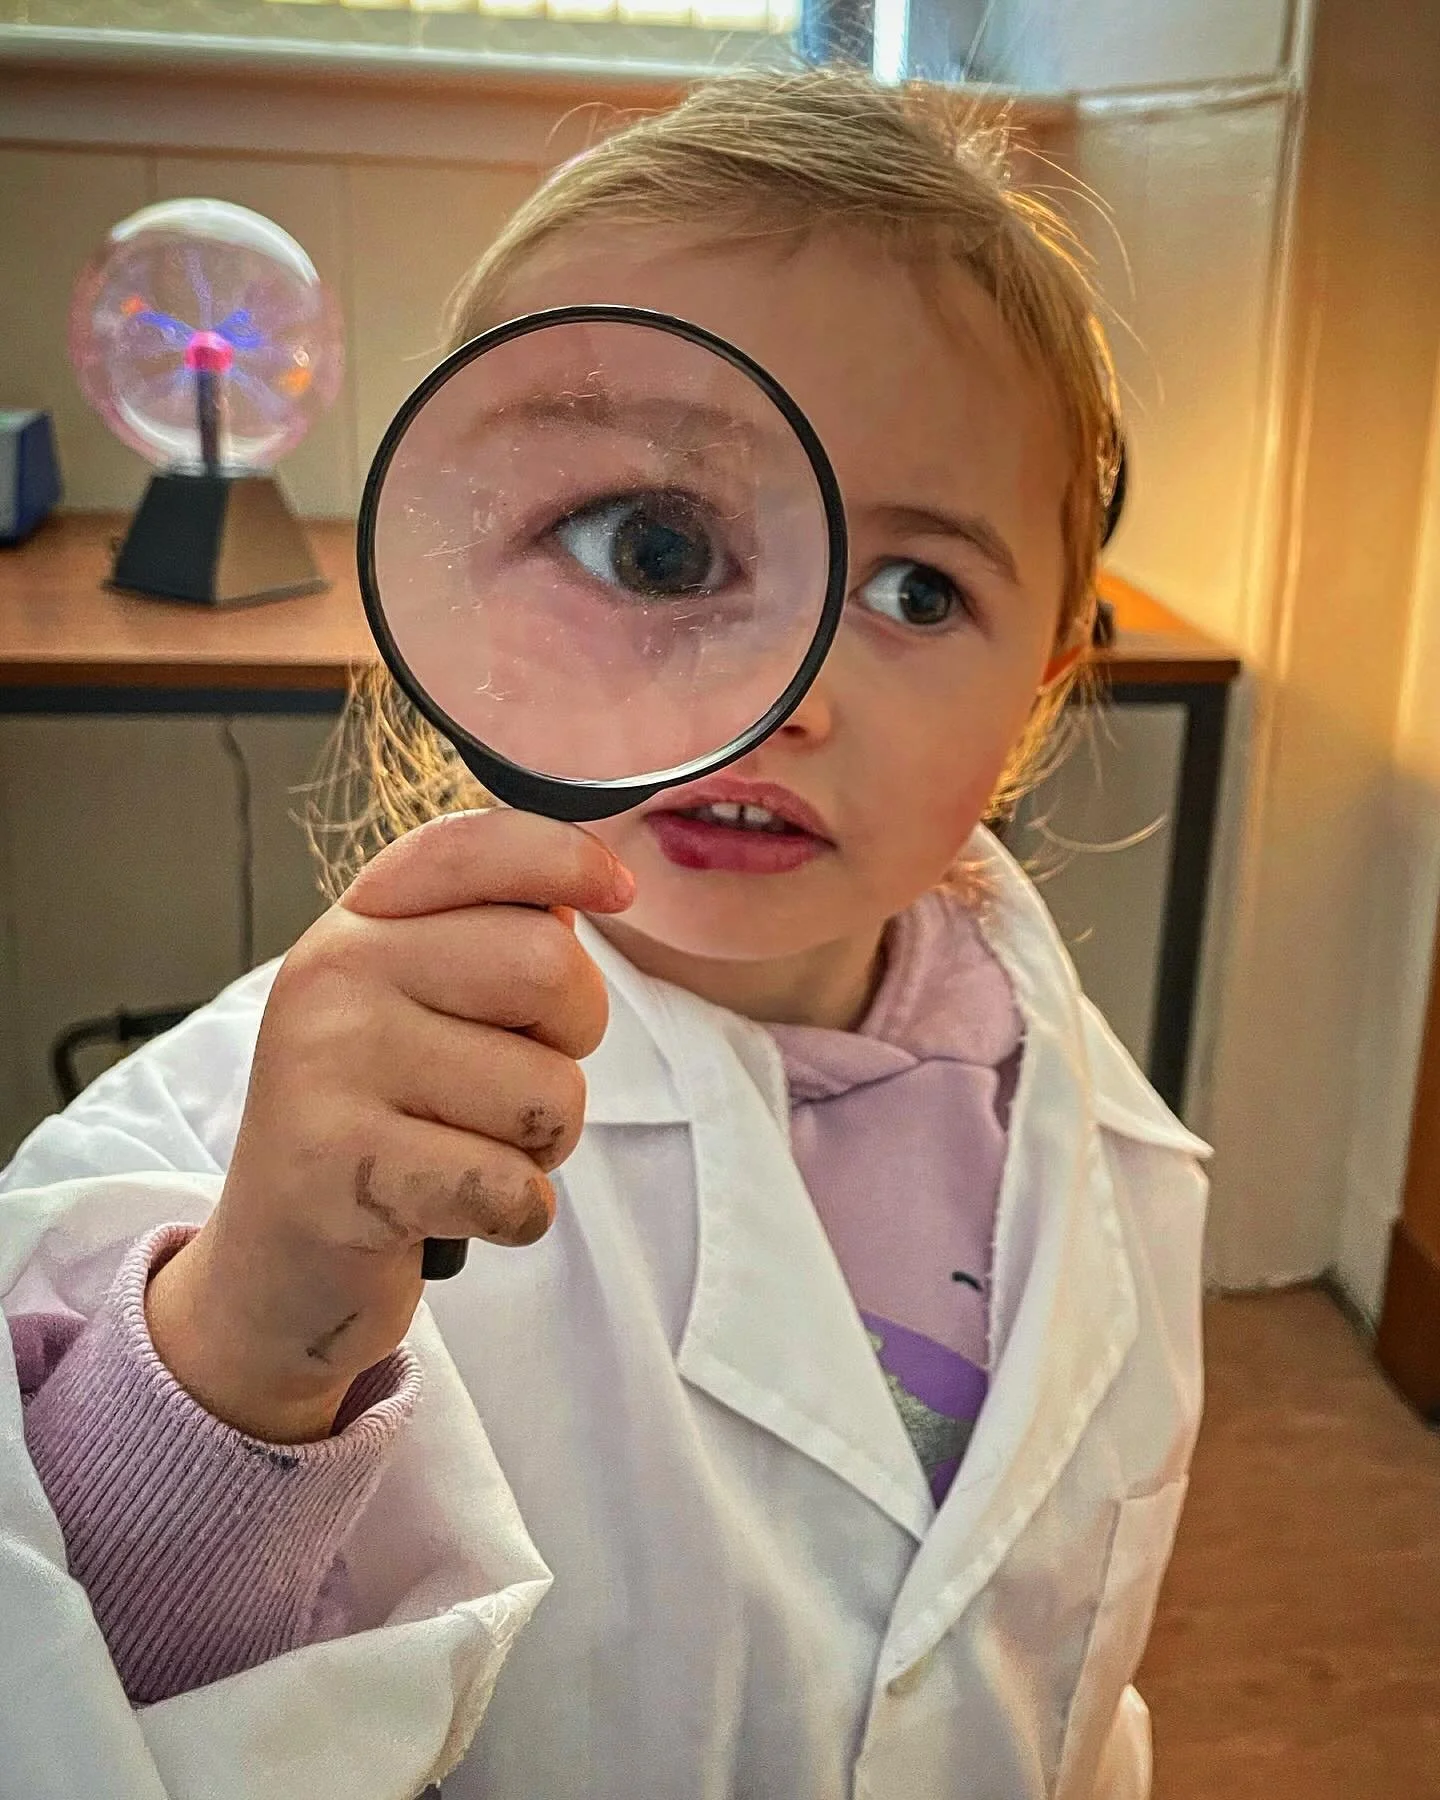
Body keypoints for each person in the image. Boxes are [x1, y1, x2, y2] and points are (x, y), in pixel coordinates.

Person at [0, 66, 1209, 1800]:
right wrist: (254, 1336)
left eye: (915, 590)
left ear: (1043, 686)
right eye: (656, 546)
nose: (782, 698)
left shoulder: (1085, 1126)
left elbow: (1056, 1673)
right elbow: (77, 1696)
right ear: (461, 569)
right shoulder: (237, 1147)